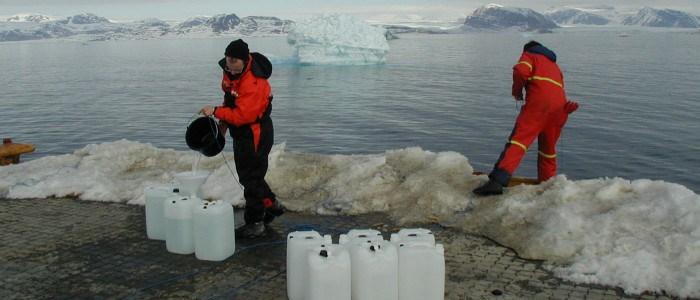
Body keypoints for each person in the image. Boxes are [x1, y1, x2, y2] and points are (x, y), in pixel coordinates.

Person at [200, 39, 284, 238]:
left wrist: (216, 112)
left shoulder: (254, 82)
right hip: (241, 133)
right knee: (249, 175)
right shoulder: (231, 71)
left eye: (234, 60)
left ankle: (255, 222)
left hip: (256, 133)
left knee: (251, 178)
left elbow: (243, 115)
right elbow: (230, 100)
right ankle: (271, 205)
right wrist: (222, 127)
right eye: (228, 58)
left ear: (245, 60)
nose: (229, 63)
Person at [473, 41, 579, 196]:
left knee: (518, 143)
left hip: (537, 107)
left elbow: (521, 71)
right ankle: (547, 186)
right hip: (560, 111)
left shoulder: (530, 55)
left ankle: (497, 182)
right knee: (548, 151)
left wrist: (517, 92)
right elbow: (557, 90)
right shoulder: (555, 67)